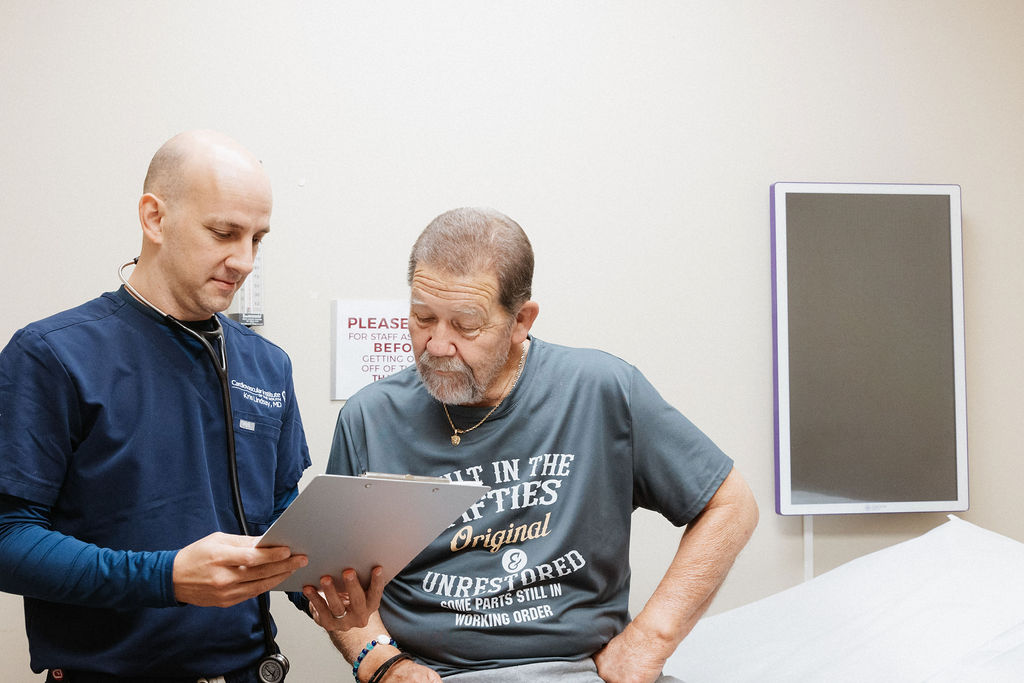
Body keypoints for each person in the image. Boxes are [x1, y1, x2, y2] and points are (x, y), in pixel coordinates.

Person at [308, 207, 759, 682]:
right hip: (439, 676)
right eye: (422, 317)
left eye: (465, 326)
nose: (437, 345)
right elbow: (335, 583)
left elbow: (732, 504)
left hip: (582, 671)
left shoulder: (601, 389)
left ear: (521, 320)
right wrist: (382, 663)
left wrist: (650, 640)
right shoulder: (369, 417)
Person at [0, 130, 379, 682]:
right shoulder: (53, 355)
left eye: (258, 239)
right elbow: (7, 536)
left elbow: (274, 519)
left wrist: (327, 585)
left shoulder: (267, 364)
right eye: (224, 233)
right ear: (154, 218)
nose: (244, 260)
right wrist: (166, 578)